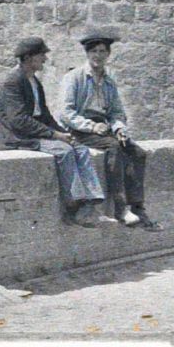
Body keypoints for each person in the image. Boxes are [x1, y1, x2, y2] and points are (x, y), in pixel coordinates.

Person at [0, 36, 109, 226]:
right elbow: (18, 120)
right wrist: (55, 135)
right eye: (41, 55)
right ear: (29, 57)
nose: (45, 59)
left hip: (36, 134)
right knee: (64, 151)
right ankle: (74, 204)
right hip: (19, 138)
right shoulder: (13, 82)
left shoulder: (34, 81)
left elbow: (45, 115)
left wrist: (64, 133)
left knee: (80, 149)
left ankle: (92, 201)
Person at [59, 29, 160, 231]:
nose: (98, 56)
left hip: (103, 128)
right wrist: (91, 126)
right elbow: (66, 113)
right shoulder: (74, 78)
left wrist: (119, 128)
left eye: (102, 51)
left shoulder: (108, 81)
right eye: (94, 51)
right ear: (87, 53)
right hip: (80, 129)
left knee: (137, 152)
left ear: (108, 54)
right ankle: (120, 208)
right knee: (114, 147)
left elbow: (116, 112)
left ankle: (138, 207)